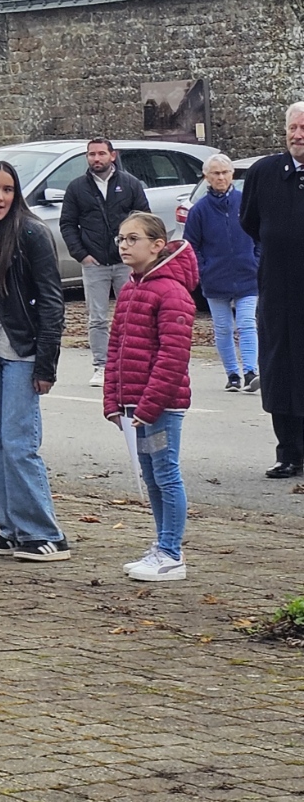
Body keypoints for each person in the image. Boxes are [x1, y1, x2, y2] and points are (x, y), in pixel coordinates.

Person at [0, 161, 69, 562]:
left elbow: (52, 301)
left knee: (19, 444)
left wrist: (46, 364)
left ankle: (44, 533)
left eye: (6, 189)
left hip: (21, 351)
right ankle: (11, 529)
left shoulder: (32, 233)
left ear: (15, 193)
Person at [104, 212, 198, 582]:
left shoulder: (171, 291)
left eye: (133, 239)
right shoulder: (131, 288)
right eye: (121, 239)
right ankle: (161, 545)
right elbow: (116, 348)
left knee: (166, 473)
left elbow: (173, 356)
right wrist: (113, 399)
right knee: (150, 475)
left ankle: (171, 552)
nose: (124, 246)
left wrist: (149, 405)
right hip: (136, 405)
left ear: (157, 246)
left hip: (160, 405)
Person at [239, 101, 304, 479]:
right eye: (293, 129)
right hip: (277, 289)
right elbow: (250, 221)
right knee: (280, 370)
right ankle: (289, 453)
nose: (298, 136)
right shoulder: (264, 172)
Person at [58, 138, 149, 388]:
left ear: (112, 155)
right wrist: (82, 254)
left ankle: (129, 363)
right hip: (94, 263)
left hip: (125, 263)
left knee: (130, 314)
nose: (96, 159)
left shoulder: (130, 184)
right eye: (91, 155)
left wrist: (134, 251)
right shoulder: (77, 188)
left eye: (100, 154)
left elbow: (143, 218)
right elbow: (67, 223)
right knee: (97, 318)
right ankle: (101, 365)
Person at [184, 154, 259, 394]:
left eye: (225, 172)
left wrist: (257, 260)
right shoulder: (199, 211)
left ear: (232, 175)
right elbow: (191, 245)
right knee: (223, 328)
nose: (221, 177)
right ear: (206, 177)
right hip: (215, 278)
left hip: (248, 275)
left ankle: (250, 371)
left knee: (247, 323)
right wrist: (203, 269)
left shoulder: (245, 202)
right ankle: (232, 374)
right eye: (215, 173)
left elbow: (260, 235)